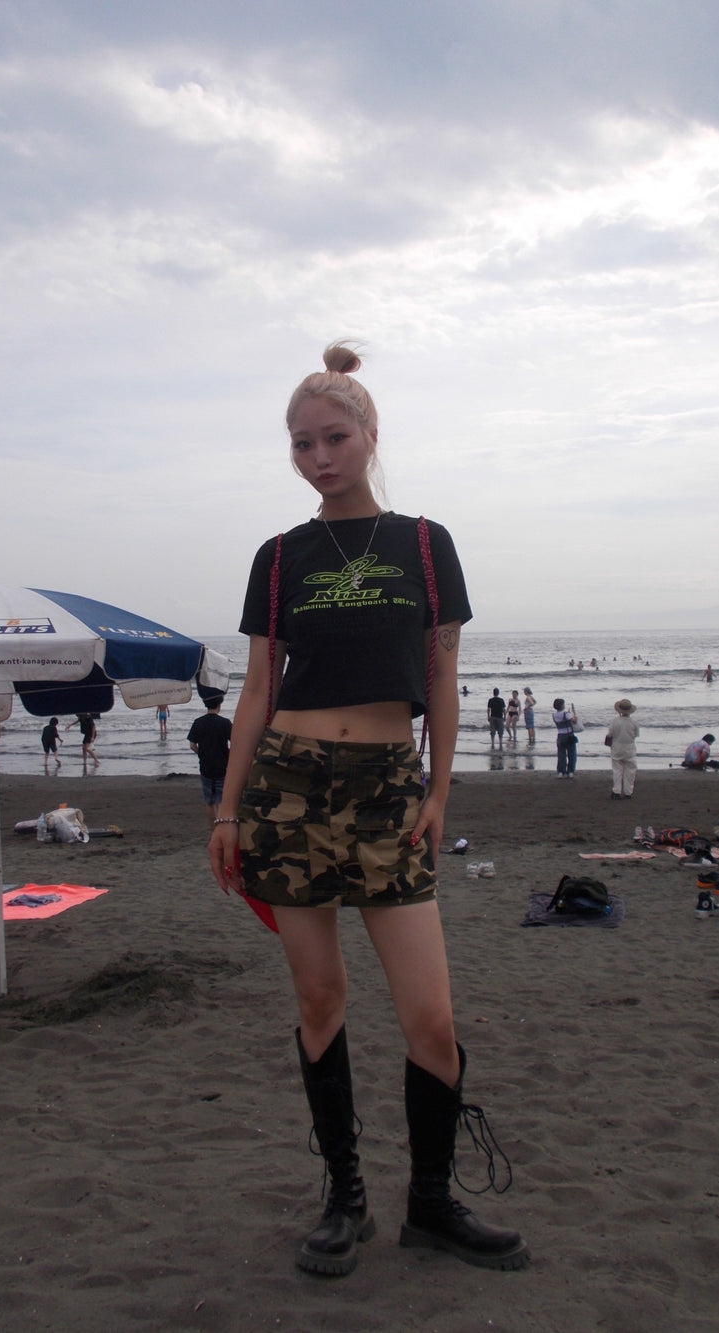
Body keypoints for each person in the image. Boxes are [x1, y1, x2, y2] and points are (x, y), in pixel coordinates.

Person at [207, 341, 528, 1279]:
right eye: (301, 444)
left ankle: (431, 1201)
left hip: (390, 786)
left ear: (370, 434)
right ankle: (344, 1196)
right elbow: (257, 690)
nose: (318, 457)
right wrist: (227, 811)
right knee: (320, 1000)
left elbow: (442, 673)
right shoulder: (279, 558)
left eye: (334, 438)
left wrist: (439, 790)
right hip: (288, 787)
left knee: (432, 1017)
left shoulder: (425, 544)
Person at [187, 695, 232, 824]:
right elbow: (235, 742)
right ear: (219, 705)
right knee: (221, 800)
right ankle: (221, 825)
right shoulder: (225, 723)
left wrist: (201, 753)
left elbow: (192, 745)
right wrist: (228, 754)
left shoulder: (198, 722)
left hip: (205, 765)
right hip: (222, 765)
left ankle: (213, 827)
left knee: (209, 801)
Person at [605, 699, 639, 799]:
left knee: (617, 770)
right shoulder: (634, 722)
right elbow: (636, 735)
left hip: (617, 747)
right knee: (630, 771)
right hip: (630, 748)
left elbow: (610, 734)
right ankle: (628, 792)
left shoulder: (615, 721)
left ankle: (616, 791)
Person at [552, 697, 577, 778]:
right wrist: (573, 713)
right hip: (569, 735)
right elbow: (574, 720)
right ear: (562, 705)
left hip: (560, 735)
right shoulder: (566, 714)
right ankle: (570, 771)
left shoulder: (554, 715)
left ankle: (561, 772)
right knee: (571, 754)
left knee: (561, 755)